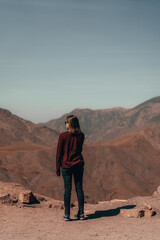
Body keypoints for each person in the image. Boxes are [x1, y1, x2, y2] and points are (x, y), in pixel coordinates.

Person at [56, 115, 85, 221]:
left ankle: (67, 214)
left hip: (66, 166)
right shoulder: (81, 135)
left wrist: (57, 167)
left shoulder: (63, 136)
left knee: (67, 190)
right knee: (79, 188)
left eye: (66, 122)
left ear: (70, 124)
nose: (65, 124)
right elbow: (79, 149)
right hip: (78, 164)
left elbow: (59, 153)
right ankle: (81, 213)